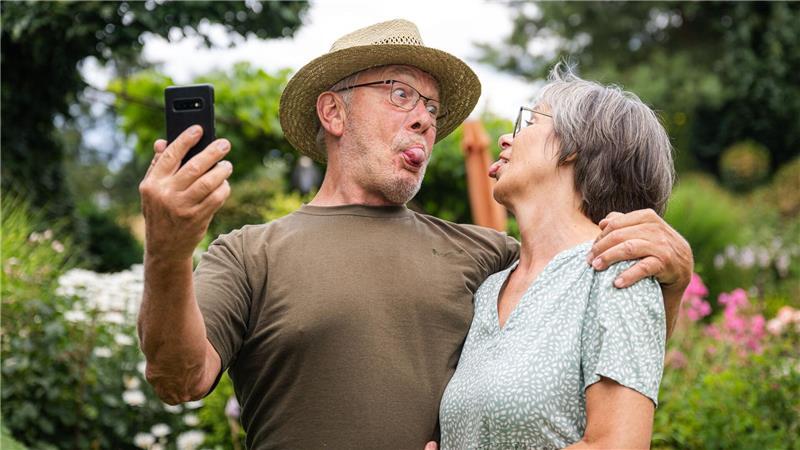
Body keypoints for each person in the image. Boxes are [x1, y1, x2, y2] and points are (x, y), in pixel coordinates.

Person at [137, 20, 693, 449]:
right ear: (333, 111)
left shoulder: (492, 259)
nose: (426, 119)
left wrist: (669, 281)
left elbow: (600, 332)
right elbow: (177, 380)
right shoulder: (249, 253)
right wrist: (168, 250)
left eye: (431, 106)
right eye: (401, 94)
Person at [438, 66, 678, 449]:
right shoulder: (490, 288)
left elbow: (615, 445)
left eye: (529, 122)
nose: (505, 137)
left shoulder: (615, 274)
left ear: (574, 146)